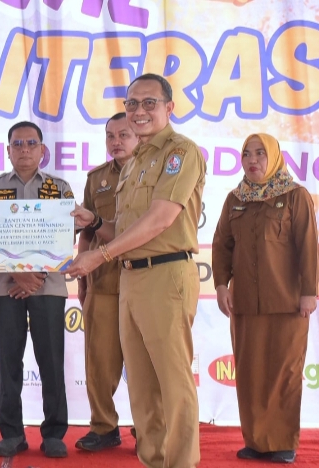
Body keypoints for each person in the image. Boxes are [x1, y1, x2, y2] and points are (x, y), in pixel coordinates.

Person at [64, 73, 206, 468]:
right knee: (142, 387)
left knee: (173, 382)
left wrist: (100, 255)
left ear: (169, 108)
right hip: (130, 277)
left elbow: (161, 219)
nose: (139, 111)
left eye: (149, 103)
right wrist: (94, 222)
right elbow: (126, 231)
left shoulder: (181, 152)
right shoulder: (134, 162)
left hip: (165, 275)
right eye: (132, 103)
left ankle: (181, 462)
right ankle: (153, 460)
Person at [211, 133, 319, 464]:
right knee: (250, 374)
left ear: (274, 157)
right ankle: (257, 441)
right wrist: (221, 285)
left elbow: (309, 245)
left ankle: (282, 442)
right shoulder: (235, 199)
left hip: (287, 303)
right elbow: (221, 244)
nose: (252, 159)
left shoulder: (295, 196)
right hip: (245, 303)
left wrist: (309, 292)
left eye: (260, 153)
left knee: (284, 374)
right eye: (246, 153)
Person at [0, 121, 75, 459]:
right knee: (7, 361)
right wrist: (17, 275)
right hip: (5, 286)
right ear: (8, 151)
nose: (24, 150)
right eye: (17, 144)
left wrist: (34, 276)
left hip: (48, 285)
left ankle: (54, 433)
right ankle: (12, 433)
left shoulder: (59, 188)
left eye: (31, 143)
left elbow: (65, 238)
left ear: (42, 150)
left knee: (51, 360)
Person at [75, 112, 138, 452]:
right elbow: (86, 231)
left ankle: (148, 427)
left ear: (139, 135)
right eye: (110, 136)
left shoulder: (152, 173)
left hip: (143, 279)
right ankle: (103, 427)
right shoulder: (96, 178)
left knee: (144, 362)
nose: (116, 142)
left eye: (123, 134)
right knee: (99, 361)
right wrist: (83, 280)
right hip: (102, 281)